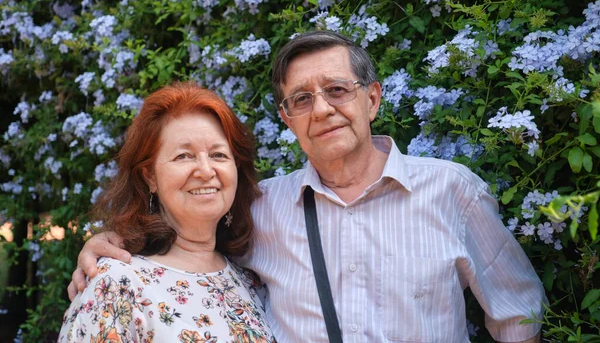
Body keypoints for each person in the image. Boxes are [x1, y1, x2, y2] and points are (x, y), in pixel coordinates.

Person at [70, 31, 545, 342]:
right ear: (287, 118)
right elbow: (184, 238)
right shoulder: (262, 208)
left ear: (372, 97)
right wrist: (106, 244)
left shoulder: (453, 193)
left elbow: (518, 317)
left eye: (337, 90)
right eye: (302, 99)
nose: (321, 110)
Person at [59, 83, 275, 342]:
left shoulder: (251, 282)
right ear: (150, 176)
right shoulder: (116, 284)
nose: (206, 171)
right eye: (184, 156)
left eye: (218, 154)